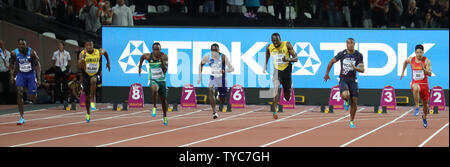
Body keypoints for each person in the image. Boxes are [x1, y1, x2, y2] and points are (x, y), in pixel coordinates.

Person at [324, 38, 364, 128]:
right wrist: (327, 73)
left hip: (353, 80)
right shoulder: (342, 54)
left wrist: (356, 68)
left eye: (352, 43)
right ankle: (346, 100)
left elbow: (362, 69)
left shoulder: (359, 55)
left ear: (354, 44)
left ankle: (351, 121)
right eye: (348, 43)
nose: (350, 45)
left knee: (354, 102)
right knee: (346, 94)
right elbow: (331, 62)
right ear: (346, 44)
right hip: (343, 79)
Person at [263, 33, 298, 120]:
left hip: (286, 71)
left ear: (280, 39)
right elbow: (267, 54)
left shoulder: (287, 44)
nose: (275, 42)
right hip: (277, 71)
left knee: (287, 97)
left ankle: (287, 91)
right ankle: (275, 111)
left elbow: (296, 58)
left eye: (277, 40)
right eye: (273, 41)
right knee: (276, 87)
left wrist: (288, 59)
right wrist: (265, 65)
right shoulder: (269, 47)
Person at [197, 43, 234, 119]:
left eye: (215, 51)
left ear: (218, 50)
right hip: (213, 77)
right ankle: (214, 112)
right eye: (212, 51)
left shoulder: (223, 57)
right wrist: (200, 77)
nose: (214, 52)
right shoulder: (207, 57)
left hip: (222, 79)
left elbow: (232, 68)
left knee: (222, 100)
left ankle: (219, 96)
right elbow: (200, 65)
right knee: (210, 89)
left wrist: (225, 70)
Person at [9, 39, 41, 125]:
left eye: (23, 44)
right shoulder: (14, 53)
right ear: (18, 45)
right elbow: (11, 64)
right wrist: (12, 76)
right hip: (21, 74)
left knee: (32, 98)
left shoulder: (32, 53)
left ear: (26, 45)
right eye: (20, 44)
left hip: (31, 75)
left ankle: (33, 94)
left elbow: (38, 65)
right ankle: (21, 116)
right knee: (19, 92)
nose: (21, 46)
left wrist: (39, 79)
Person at [78, 40, 110, 123]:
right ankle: (88, 113)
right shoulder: (82, 53)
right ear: (85, 47)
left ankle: (93, 100)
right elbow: (79, 66)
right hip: (86, 75)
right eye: (88, 46)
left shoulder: (98, 51)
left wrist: (108, 62)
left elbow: (105, 52)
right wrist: (82, 59)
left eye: (91, 45)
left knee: (93, 80)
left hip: (95, 73)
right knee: (86, 97)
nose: (90, 47)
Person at [138, 42, 169, 126]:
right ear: (152, 50)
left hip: (162, 80)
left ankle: (165, 116)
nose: (156, 51)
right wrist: (140, 67)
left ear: (160, 49)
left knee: (163, 100)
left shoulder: (164, 56)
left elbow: (165, 70)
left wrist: (162, 61)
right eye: (154, 49)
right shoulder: (149, 56)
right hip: (153, 79)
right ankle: (154, 106)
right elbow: (142, 57)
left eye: (158, 49)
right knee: (154, 89)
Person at [400, 44, 431, 128]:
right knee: (415, 87)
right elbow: (405, 62)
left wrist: (424, 70)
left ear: (423, 52)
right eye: (417, 52)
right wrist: (403, 71)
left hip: (424, 84)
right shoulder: (411, 59)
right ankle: (417, 106)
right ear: (415, 52)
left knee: (425, 106)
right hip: (415, 82)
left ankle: (424, 117)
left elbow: (430, 73)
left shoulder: (426, 61)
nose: (419, 54)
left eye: (421, 52)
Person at [0, 40, 11, 104]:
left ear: (4, 44)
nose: (1, 46)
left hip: (6, 72)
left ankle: (6, 101)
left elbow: (11, 63)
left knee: (6, 87)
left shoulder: (9, 53)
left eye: (2, 44)